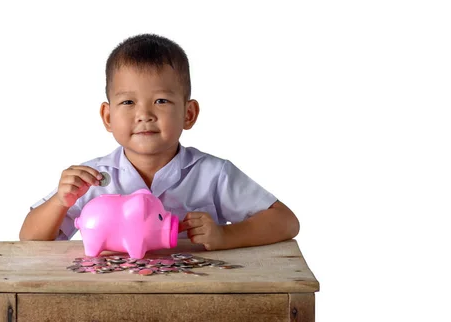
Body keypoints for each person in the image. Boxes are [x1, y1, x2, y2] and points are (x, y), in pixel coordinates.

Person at [19, 34, 299, 250]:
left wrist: (226, 235)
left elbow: (286, 221)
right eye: (128, 102)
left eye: (161, 101)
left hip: (200, 299)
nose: (144, 115)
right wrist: (60, 201)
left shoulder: (214, 174)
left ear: (189, 114)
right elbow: (29, 240)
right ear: (107, 116)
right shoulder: (93, 179)